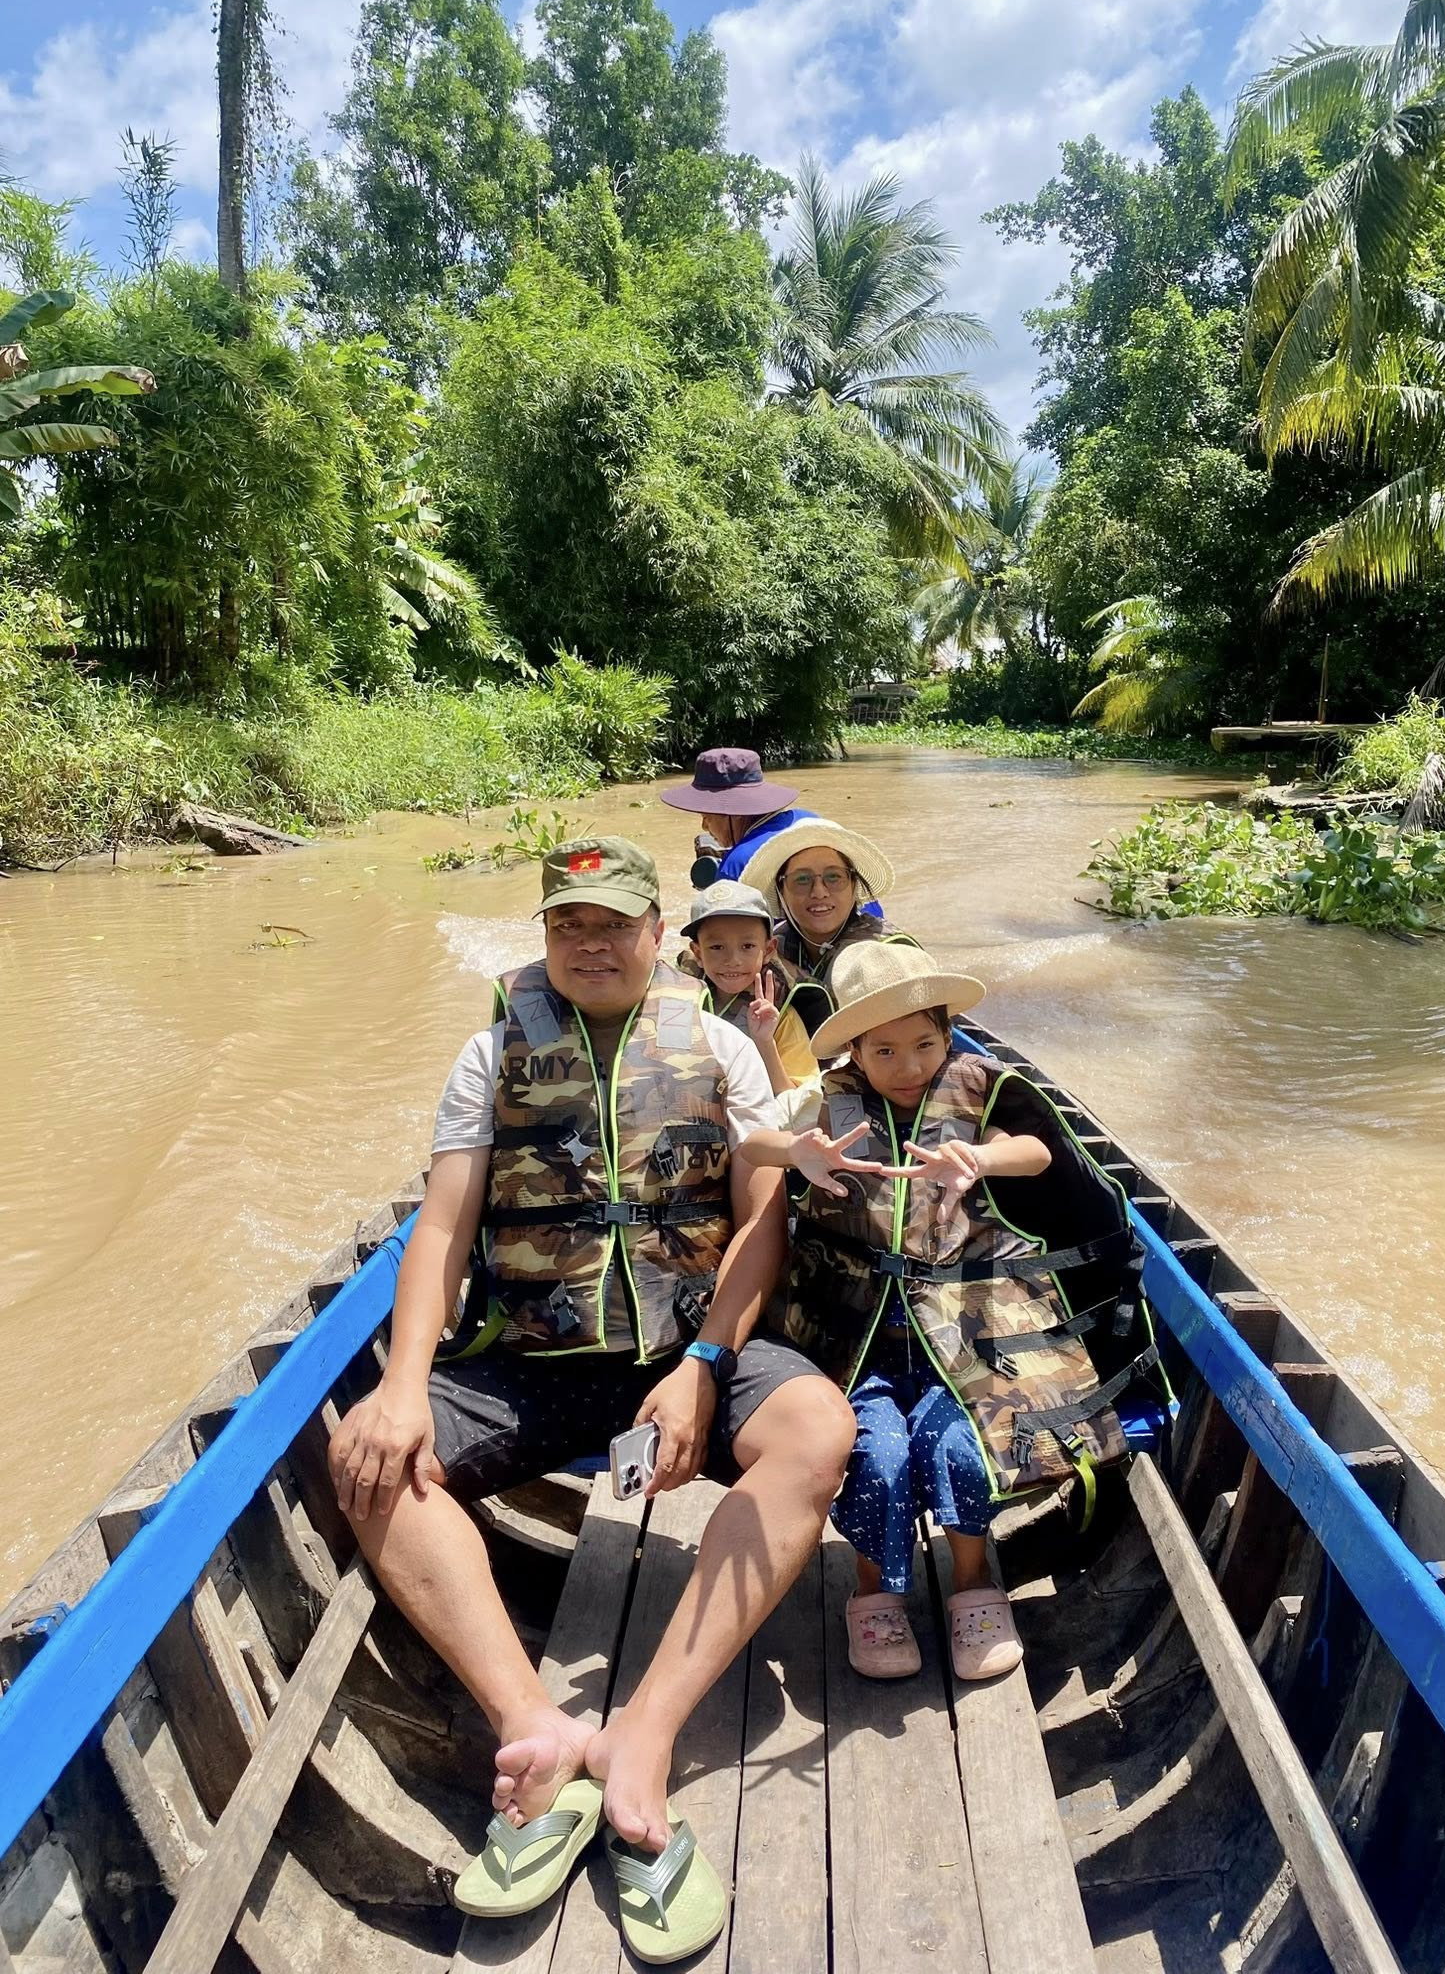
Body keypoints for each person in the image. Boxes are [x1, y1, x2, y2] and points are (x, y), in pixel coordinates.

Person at [326, 836, 856, 1954]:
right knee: (368, 1455)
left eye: (614, 923)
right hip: (532, 1358)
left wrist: (703, 1368)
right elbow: (443, 1227)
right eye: (569, 925)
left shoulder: (720, 1045)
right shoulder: (490, 1053)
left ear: (658, 935)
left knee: (817, 1426)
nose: (591, 943)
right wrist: (405, 1385)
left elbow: (762, 1227)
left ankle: (641, 1737)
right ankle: (535, 1726)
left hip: (686, 1351)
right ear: (546, 938)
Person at [738, 940, 1155, 1684]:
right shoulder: (827, 1102)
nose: (908, 1066)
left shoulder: (976, 1090)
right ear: (855, 1052)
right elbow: (754, 1143)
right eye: (885, 1051)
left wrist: (980, 1160)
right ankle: (872, 1591)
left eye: (924, 1045)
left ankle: (972, 1579)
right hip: (855, 1336)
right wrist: (799, 1154)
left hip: (970, 1330)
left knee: (964, 1446)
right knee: (876, 1453)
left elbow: (1034, 1153)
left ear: (947, 1034)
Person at [675, 880, 828, 1106]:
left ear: (768, 950)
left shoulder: (781, 1016)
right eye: (716, 947)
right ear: (697, 953)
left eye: (747, 946)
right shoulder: (678, 1001)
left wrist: (765, 1042)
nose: (732, 961)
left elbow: (798, 1103)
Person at [740, 817, 917, 987]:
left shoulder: (893, 956)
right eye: (802, 879)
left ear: (853, 885)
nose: (819, 892)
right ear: (781, 891)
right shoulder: (771, 950)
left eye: (833, 877)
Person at [659, 746, 816, 888]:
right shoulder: (809, 820)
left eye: (707, 817)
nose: (704, 826)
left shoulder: (735, 866)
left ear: (736, 812)